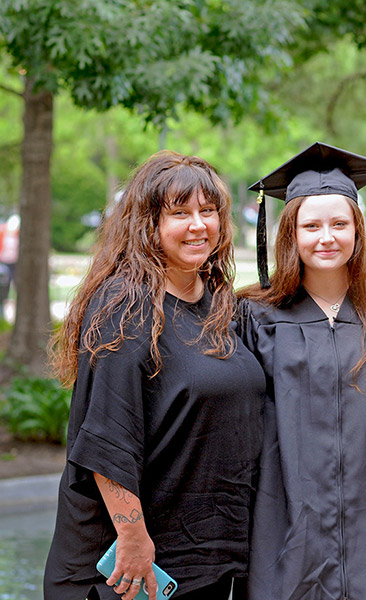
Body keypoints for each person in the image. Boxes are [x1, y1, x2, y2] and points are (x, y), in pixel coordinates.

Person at [44, 151, 266, 600]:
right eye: (180, 213)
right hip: (136, 570)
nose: (198, 225)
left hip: (206, 560)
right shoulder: (124, 307)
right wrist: (133, 539)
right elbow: (107, 433)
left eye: (208, 211)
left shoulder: (219, 304)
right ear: (147, 225)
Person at [237, 142, 366, 600]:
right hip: (284, 519)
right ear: (290, 234)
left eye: (339, 224)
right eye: (311, 225)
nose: (326, 237)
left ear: (357, 231)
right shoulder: (257, 317)